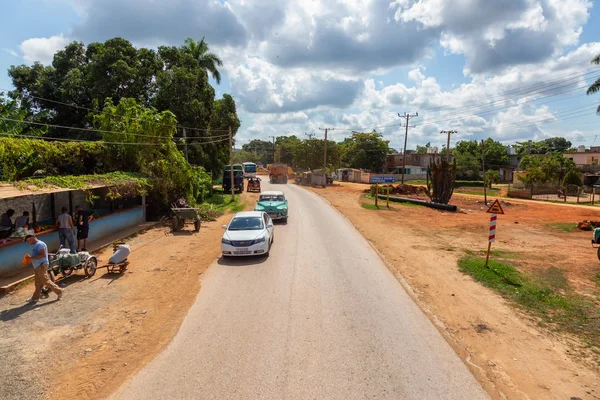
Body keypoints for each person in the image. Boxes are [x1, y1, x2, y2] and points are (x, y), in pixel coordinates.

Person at [24, 234, 63, 303]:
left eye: (28, 240)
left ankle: (59, 291)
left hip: (41, 265)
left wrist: (31, 258)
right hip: (38, 266)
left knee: (45, 280)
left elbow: (43, 255)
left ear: (32, 238)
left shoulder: (39, 244)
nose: (28, 242)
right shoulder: (36, 245)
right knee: (38, 283)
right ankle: (35, 298)